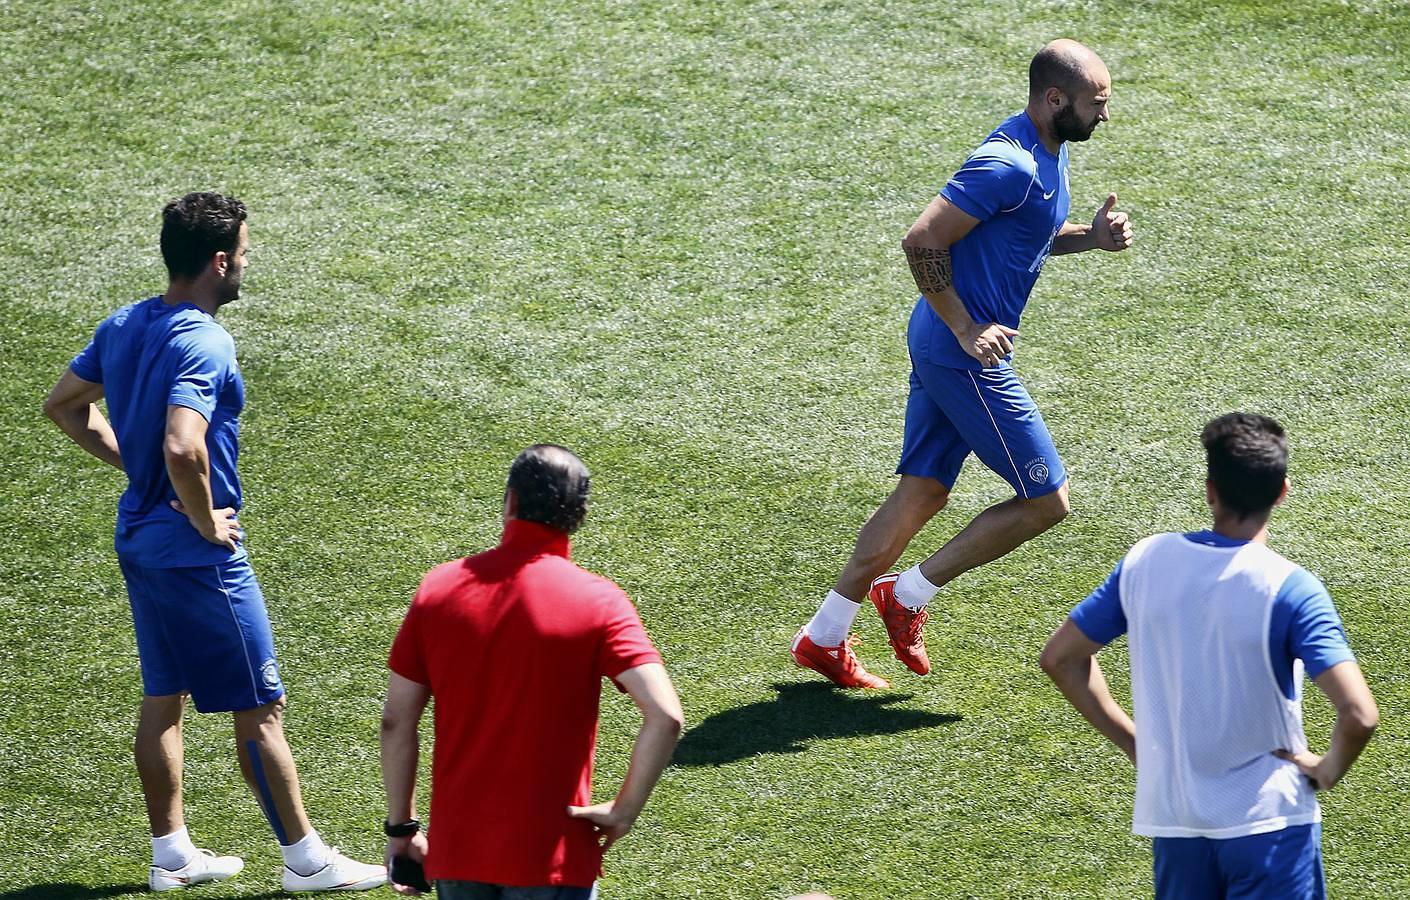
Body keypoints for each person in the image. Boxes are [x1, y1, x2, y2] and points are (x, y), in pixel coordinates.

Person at [43, 192, 386, 893]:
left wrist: (133, 466)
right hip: (194, 553)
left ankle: (171, 855)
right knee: (260, 710)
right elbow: (182, 445)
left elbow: (64, 405)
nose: (246, 268)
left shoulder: (124, 322)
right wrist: (203, 518)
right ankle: (306, 861)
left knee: (163, 695)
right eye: (246, 256)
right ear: (220, 260)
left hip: (138, 538)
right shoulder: (204, 339)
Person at [792, 39, 1135, 688]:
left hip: (942, 342)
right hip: (960, 351)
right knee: (1047, 499)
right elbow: (922, 238)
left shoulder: (1046, 153)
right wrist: (967, 325)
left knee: (923, 492)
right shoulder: (1006, 162)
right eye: (1098, 104)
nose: (1105, 117)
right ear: (1055, 99)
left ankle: (824, 636)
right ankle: (908, 595)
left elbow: (1023, 236)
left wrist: (1089, 238)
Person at [1040, 413, 1379, 899]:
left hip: (1177, 823)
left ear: (1210, 489)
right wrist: (1328, 769)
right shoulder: (1292, 589)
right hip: (1270, 827)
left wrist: (1135, 742)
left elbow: (1061, 658)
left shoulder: (1145, 561)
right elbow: (1359, 714)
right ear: (1281, 492)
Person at [380, 444, 684, 899]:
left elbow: (396, 721)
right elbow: (665, 716)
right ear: (579, 516)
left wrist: (402, 828)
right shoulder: (599, 602)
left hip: (459, 850)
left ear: (510, 502)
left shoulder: (439, 588)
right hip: (552, 854)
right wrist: (625, 810)